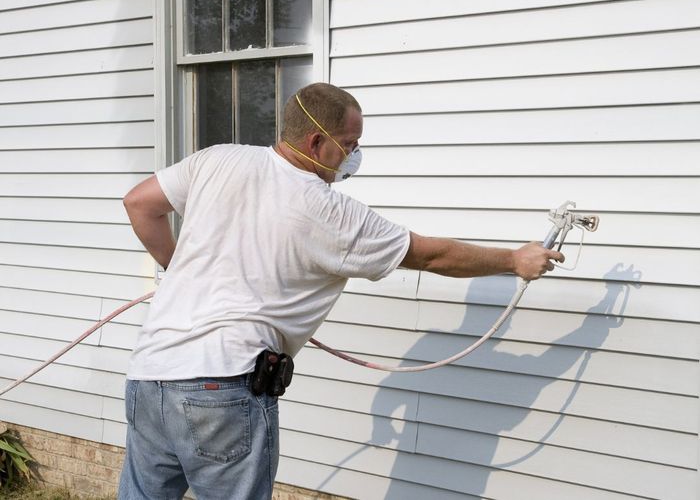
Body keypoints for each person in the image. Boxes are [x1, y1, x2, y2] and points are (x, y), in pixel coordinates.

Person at [117, 82, 563, 500]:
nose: (352, 155)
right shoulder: (329, 211)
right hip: (222, 388)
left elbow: (140, 203)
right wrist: (513, 260)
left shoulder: (218, 160)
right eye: (348, 145)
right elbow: (430, 256)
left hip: (149, 376)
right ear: (316, 143)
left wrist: (176, 270)